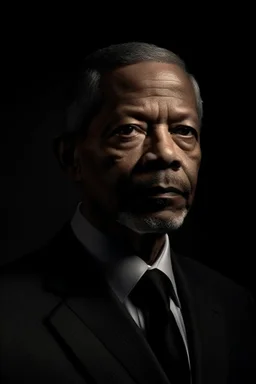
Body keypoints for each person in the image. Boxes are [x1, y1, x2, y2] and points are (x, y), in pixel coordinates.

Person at [1, 42, 255, 384]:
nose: (165, 153)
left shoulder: (234, 305)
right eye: (129, 130)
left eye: (183, 131)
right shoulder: (7, 313)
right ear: (71, 158)